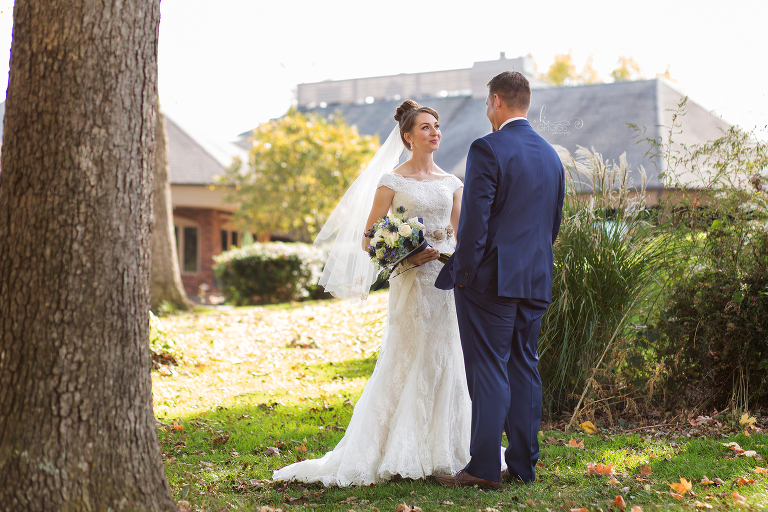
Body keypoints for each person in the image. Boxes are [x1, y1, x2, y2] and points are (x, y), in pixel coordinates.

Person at [272, 100, 472, 486]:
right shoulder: (392, 181)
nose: (434, 132)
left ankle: (444, 448)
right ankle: (395, 447)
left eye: (436, 126)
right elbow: (370, 240)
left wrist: (454, 258)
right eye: (426, 127)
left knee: (445, 356)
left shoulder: (452, 183)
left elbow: (459, 235)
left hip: (445, 283)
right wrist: (410, 256)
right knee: (408, 357)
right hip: (412, 283)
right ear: (408, 136)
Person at [435, 71, 565, 488]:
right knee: (525, 368)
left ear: (496, 102)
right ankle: (524, 467)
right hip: (534, 280)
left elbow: (475, 225)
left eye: (486, 104)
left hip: (489, 282)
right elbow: (553, 225)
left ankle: (484, 469)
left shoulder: (487, 148)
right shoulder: (550, 155)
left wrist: (465, 275)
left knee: (489, 368)